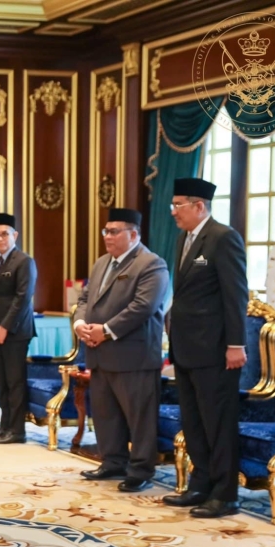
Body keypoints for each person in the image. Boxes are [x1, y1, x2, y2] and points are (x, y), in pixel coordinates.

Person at [164, 177, 248, 518]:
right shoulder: (185, 238)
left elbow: (235, 295)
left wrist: (236, 344)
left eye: (178, 205)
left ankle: (225, 493)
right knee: (194, 421)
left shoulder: (223, 238)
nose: (173, 213)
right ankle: (201, 484)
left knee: (218, 422)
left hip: (216, 350)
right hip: (185, 348)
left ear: (199, 206)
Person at [74, 208, 169, 492]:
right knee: (105, 413)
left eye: (114, 231)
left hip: (134, 355)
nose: (107, 236)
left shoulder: (151, 264)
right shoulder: (102, 263)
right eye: (106, 231)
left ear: (134, 234)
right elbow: (85, 297)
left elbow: (143, 307)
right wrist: (80, 323)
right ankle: (112, 461)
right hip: (99, 351)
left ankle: (140, 470)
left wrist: (106, 330)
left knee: (139, 417)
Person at [0, 213, 36, 444]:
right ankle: (4, 427)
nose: (0, 238)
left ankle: (17, 430)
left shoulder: (24, 262)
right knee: (1, 382)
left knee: (15, 382)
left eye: (5, 234)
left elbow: (22, 299)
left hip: (15, 333)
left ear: (15, 235)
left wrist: (4, 328)